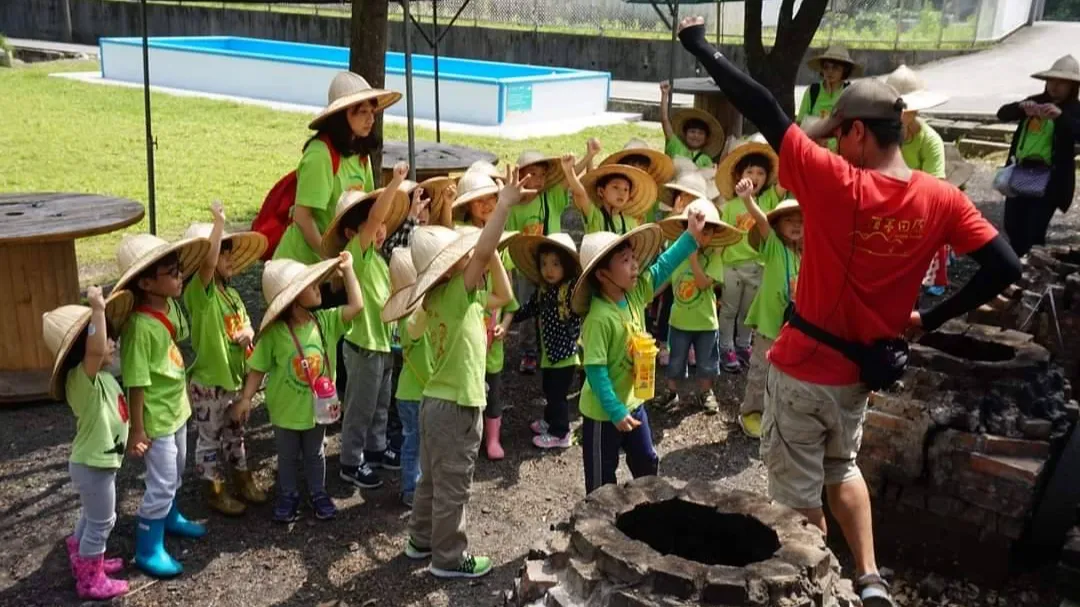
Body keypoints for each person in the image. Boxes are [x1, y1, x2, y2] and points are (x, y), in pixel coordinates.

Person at [677, 15, 1020, 605]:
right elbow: (1005, 265)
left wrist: (699, 46)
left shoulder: (836, 181)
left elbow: (760, 105)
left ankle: (817, 590)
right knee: (844, 466)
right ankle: (869, 578)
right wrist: (929, 320)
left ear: (860, 131)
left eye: (838, 132)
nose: (831, 142)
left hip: (805, 367)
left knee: (798, 493)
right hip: (864, 372)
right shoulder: (941, 199)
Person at [403, 166, 531, 579]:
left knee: (431, 482)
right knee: (454, 486)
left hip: (434, 403)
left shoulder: (444, 300)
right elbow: (483, 255)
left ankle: (420, 541)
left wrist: (485, 250)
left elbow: (505, 295)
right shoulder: (459, 293)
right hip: (457, 405)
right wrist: (503, 207)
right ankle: (449, 558)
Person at [572, 213, 708, 494]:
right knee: (601, 480)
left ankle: (646, 512)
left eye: (633, 257)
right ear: (602, 274)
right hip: (603, 414)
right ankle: (597, 527)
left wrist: (689, 237)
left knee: (646, 461)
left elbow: (662, 266)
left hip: (634, 402)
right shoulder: (599, 318)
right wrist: (615, 411)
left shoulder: (634, 294)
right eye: (625, 260)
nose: (635, 265)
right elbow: (595, 371)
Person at [234, 254, 364, 523]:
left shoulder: (326, 322)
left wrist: (349, 270)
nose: (318, 286)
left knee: (316, 453)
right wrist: (246, 397)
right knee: (288, 455)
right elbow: (257, 368)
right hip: (285, 410)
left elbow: (357, 306)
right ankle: (288, 494)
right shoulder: (273, 335)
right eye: (309, 284)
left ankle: (318, 492)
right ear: (293, 299)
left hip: (317, 408)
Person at [114, 232, 211, 579]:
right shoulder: (139, 327)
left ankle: (169, 515)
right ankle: (147, 547)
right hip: (156, 418)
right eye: (171, 273)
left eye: (179, 270)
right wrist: (137, 428)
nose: (179, 277)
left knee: (178, 468)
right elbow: (136, 382)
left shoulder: (167, 306)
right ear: (145, 282)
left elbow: (179, 337)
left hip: (176, 409)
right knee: (163, 479)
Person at [322, 163, 411, 491]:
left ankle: (374, 449)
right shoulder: (354, 254)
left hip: (383, 345)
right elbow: (374, 218)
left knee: (379, 403)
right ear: (352, 233)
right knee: (360, 407)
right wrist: (395, 184)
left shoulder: (378, 259)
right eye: (374, 224)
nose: (380, 228)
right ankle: (350, 461)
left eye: (384, 224)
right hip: (363, 345)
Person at [181, 203, 269, 516]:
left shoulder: (231, 294)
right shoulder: (199, 292)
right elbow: (206, 263)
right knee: (210, 438)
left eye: (230, 253)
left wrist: (247, 333)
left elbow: (245, 323)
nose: (228, 258)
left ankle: (242, 479)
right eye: (223, 253)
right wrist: (218, 223)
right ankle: (213, 490)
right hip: (208, 382)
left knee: (235, 432)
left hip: (233, 378)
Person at [44, 288, 133, 600]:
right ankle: (90, 580)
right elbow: (95, 350)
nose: (111, 342)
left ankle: (83, 555)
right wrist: (97, 308)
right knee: (103, 521)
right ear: (84, 349)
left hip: (97, 463)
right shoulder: (82, 378)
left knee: (92, 516)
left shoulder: (103, 376)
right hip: (93, 465)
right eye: (104, 336)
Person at [273, 71, 401, 265]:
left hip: (339, 262)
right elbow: (302, 217)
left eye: (372, 112)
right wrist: (328, 258)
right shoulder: (320, 155)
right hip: (302, 264)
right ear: (343, 116)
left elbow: (366, 206)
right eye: (362, 112)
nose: (371, 120)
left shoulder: (361, 153)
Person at [510, 145, 599, 375]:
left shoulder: (552, 197)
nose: (538, 180)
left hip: (556, 265)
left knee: (558, 306)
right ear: (520, 177)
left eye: (542, 175)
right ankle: (529, 351)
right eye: (531, 175)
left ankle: (557, 347)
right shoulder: (515, 207)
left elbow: (570, 179)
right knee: (527, 306)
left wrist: (588, 155)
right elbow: (509, 237)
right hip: (528, 266)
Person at [657, 199, 740, 413]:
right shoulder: (677, 254)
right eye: (697, 232)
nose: (701, 237)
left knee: (706, 363)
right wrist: (646, 296)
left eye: (707, 233)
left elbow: (703, 284)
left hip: (705, 323)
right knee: (676, 360)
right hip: (678, 321)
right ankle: (672, 392)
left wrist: (693, 258)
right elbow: (663, 279)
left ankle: (706, 393)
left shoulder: (713, 258)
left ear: (713, 236)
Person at [997, 54, 1080, 257]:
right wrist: (1021, 108)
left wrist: (1060, 117)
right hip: (1021, 172)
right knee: (1012, 225)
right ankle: (1017, 268)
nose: (1055, 86)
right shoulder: (1036, 101)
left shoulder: (1075, 109)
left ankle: (1033, 271)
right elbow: (1002, 113)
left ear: (1072, 87)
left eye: (1062, 83)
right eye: (1052, 81)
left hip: (1050, 181)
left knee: (1033, 231)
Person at [508, 233, 583, 449]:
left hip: (566, 354)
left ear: (567, 266)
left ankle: (561, 433)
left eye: (556, 264)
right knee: (549, 389)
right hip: (549, 353)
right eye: (544, 264)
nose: (549, 270)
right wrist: (509, 318)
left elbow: (583, 303)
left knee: (558, 394)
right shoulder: (543, 290)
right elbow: (529, 309)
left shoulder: (571, 290)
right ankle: (550, 421)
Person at [736, 195, 803, 439]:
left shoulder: (802, 256)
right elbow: (761, 222)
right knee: (761, 370)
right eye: (789, 221)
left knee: (783, 372)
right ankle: (750, 413)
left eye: (800, 222)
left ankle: (772, 412)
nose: (796, 226)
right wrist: (748, 200)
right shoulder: (774, 247)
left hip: (790, 325)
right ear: (778, 226)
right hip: (768, 323)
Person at [715, 139, 783, 372]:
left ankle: (743, 345)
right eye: (749, 171)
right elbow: (721, 239)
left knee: (748, 311)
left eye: (760, 172)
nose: (755, 176)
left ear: (767, 178)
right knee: (729, 310)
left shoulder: (769, 200)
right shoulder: (730, 206)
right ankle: (726, 348)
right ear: (738, 176)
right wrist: (715, 269)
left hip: (758, 266)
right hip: (731, 266)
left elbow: (786, 180)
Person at [884, 65, 952, 296]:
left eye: (907, 110)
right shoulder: (879, 134)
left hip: (916, 214)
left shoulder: (930, 140)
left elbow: (936, 187)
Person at [381, 248, 430, 508]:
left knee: (417, 443)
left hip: (411, 391)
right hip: (415, 394)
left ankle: (416, 486)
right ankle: (411, 489)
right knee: (414, 444)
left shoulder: (404, 314)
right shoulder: (414, 316)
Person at [564, 154, 658, 235]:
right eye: (615, 187)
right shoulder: (594, 215)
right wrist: (569, 172)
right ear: (601, 191)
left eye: (626, 189)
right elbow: (580, 193)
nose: (621, 193)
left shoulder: (631, 222)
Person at [798, 44, 861, 149]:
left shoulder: (850, 93)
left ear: (844, 71)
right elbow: (800, 123)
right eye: (826, 67)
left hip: (841, 155)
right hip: (813, 151)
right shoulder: (813, 91)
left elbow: (855, 128)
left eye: (835, 68)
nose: (829, 71)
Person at [660, 82, 725, 168]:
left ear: (706, 138)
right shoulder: (675, 145)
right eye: (692, 131)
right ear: (685, 133)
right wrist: (664, 95)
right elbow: (665, 120)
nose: (696, 136)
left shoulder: (706, 160)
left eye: (701, 133)